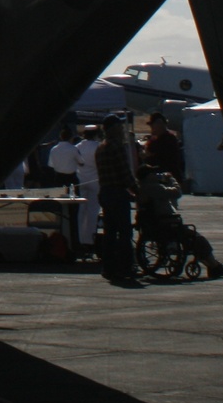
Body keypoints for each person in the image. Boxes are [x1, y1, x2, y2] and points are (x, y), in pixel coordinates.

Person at [136, 163, 223, 278]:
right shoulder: (153, 187)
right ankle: (214, 266)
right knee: (198, 239)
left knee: (194, 238)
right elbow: (177, 192)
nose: (157, 174)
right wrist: (171, 179)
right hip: (166, 224)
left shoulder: (143, 188)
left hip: (157, 223)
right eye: (153, 173)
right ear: (148, 176)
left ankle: (213, 265)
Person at [95, 116, 138, 281]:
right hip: (117, 193)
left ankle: (108, 268)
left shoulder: (100, 148)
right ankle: (126, 267)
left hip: (105, 192)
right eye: (119, 126)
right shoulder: (116, 147)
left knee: (109, 233)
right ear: (112, 128)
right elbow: (124, 172)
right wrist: (136, 190)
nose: (121, 129)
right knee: (124, 233)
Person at [74, 125, 102, 258]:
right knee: (93, 210)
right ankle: (90, 240)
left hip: (81, 180)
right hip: (95, 180)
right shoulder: (98, 146)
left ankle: (80, 239)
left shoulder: (78, 146)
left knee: (81, 211)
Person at [143, 113, 185, 182]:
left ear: (160, 124)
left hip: (167, 177)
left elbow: (164, 159)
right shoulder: (155, 139)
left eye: (152, 125)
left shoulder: (168, 139)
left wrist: (147, 156)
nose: (151, 128)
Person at [47, 127, 79, 192]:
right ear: (71, 137)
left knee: (59, 196)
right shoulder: (74, 148)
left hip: (58, 177)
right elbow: (81, 162)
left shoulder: (54, 149)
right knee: (73, 196)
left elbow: (51, 164)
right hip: (71, 177)